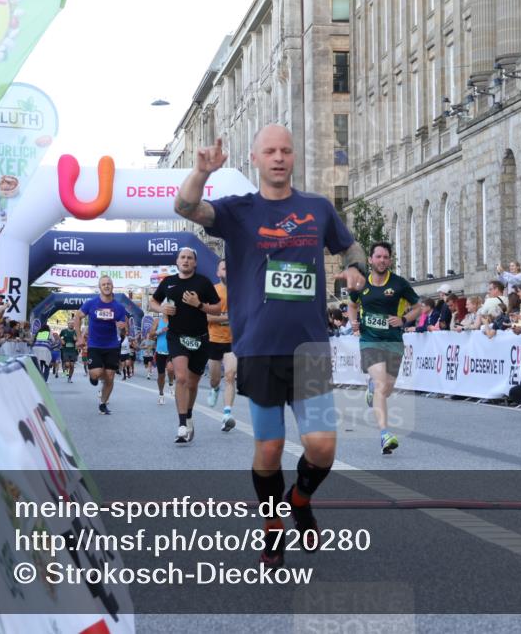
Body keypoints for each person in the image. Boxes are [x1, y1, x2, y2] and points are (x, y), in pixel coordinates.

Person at [175, 126, 365, 570]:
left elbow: (349, 244)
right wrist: (201, 172)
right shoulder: (239, 210)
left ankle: (299, 500)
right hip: (259, 348)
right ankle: (273, 525)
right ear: (254, 159)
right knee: (270, 448)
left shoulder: (316, 208)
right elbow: (185, 207)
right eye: (269, 151)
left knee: (322, 449)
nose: (278, 158)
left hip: (310, 348)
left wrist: (356, 268)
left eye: (285, 151)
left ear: (293, 157)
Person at [346, 241, 421, 454]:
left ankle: (372, 390)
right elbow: (352, 304)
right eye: (378, 256)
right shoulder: (361, 283)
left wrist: (404, 319)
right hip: (369, 341)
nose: (382, 260)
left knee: (386, 388)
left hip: (394, 341)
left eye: (386, 257)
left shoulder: (399, 284)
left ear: (390, 260)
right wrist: (354, 324)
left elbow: (418, 307)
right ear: (370, 260)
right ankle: (384, 434)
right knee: (381, 384)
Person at [150, 247, 221, 444]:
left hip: (200, 337)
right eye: (183, 257)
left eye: (190, 258)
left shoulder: (203, 282)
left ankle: (188, 415)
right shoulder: (169, 282)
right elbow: (152, 302)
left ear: (195, 263)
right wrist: (162, 307)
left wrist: (199, 304)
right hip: (176, 336)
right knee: (181, 377)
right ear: (177, 261)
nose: (186, 260)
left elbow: (217, 308)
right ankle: (181, 424)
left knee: (192, 383)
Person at [72, 276, 128, 415]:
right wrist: (79, 337)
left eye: (109, 284)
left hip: (112, 345)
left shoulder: (119, 307)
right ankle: (94, 376)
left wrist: (122, 327)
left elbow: (125, 329)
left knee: (110, 376)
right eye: (104, 284)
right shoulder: (91, 303)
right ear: (100, 287)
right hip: (95, 344)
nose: (106, 286)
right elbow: (78, 317)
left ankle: (103, 404)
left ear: (112, 286)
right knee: (97, 373)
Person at [207, 258, 238, 431]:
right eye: (224, 268)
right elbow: (207, 317)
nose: (228, 271)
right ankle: (214, 388)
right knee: (214, 379)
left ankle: (227, 414)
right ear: (218, 273)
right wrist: (227, 317)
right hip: (214, 339)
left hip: (233, 341)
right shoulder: (212, 291)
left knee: (230, 375)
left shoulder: (240, 291)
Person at [149, 312, 174, 405]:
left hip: (172, 350)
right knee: (161, 376)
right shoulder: (157, 321)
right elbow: (150, 335)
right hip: (160, 351)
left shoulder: (175, 320)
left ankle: (171, 383)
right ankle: (161, 394)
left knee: (171, 369)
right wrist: (160, 331)